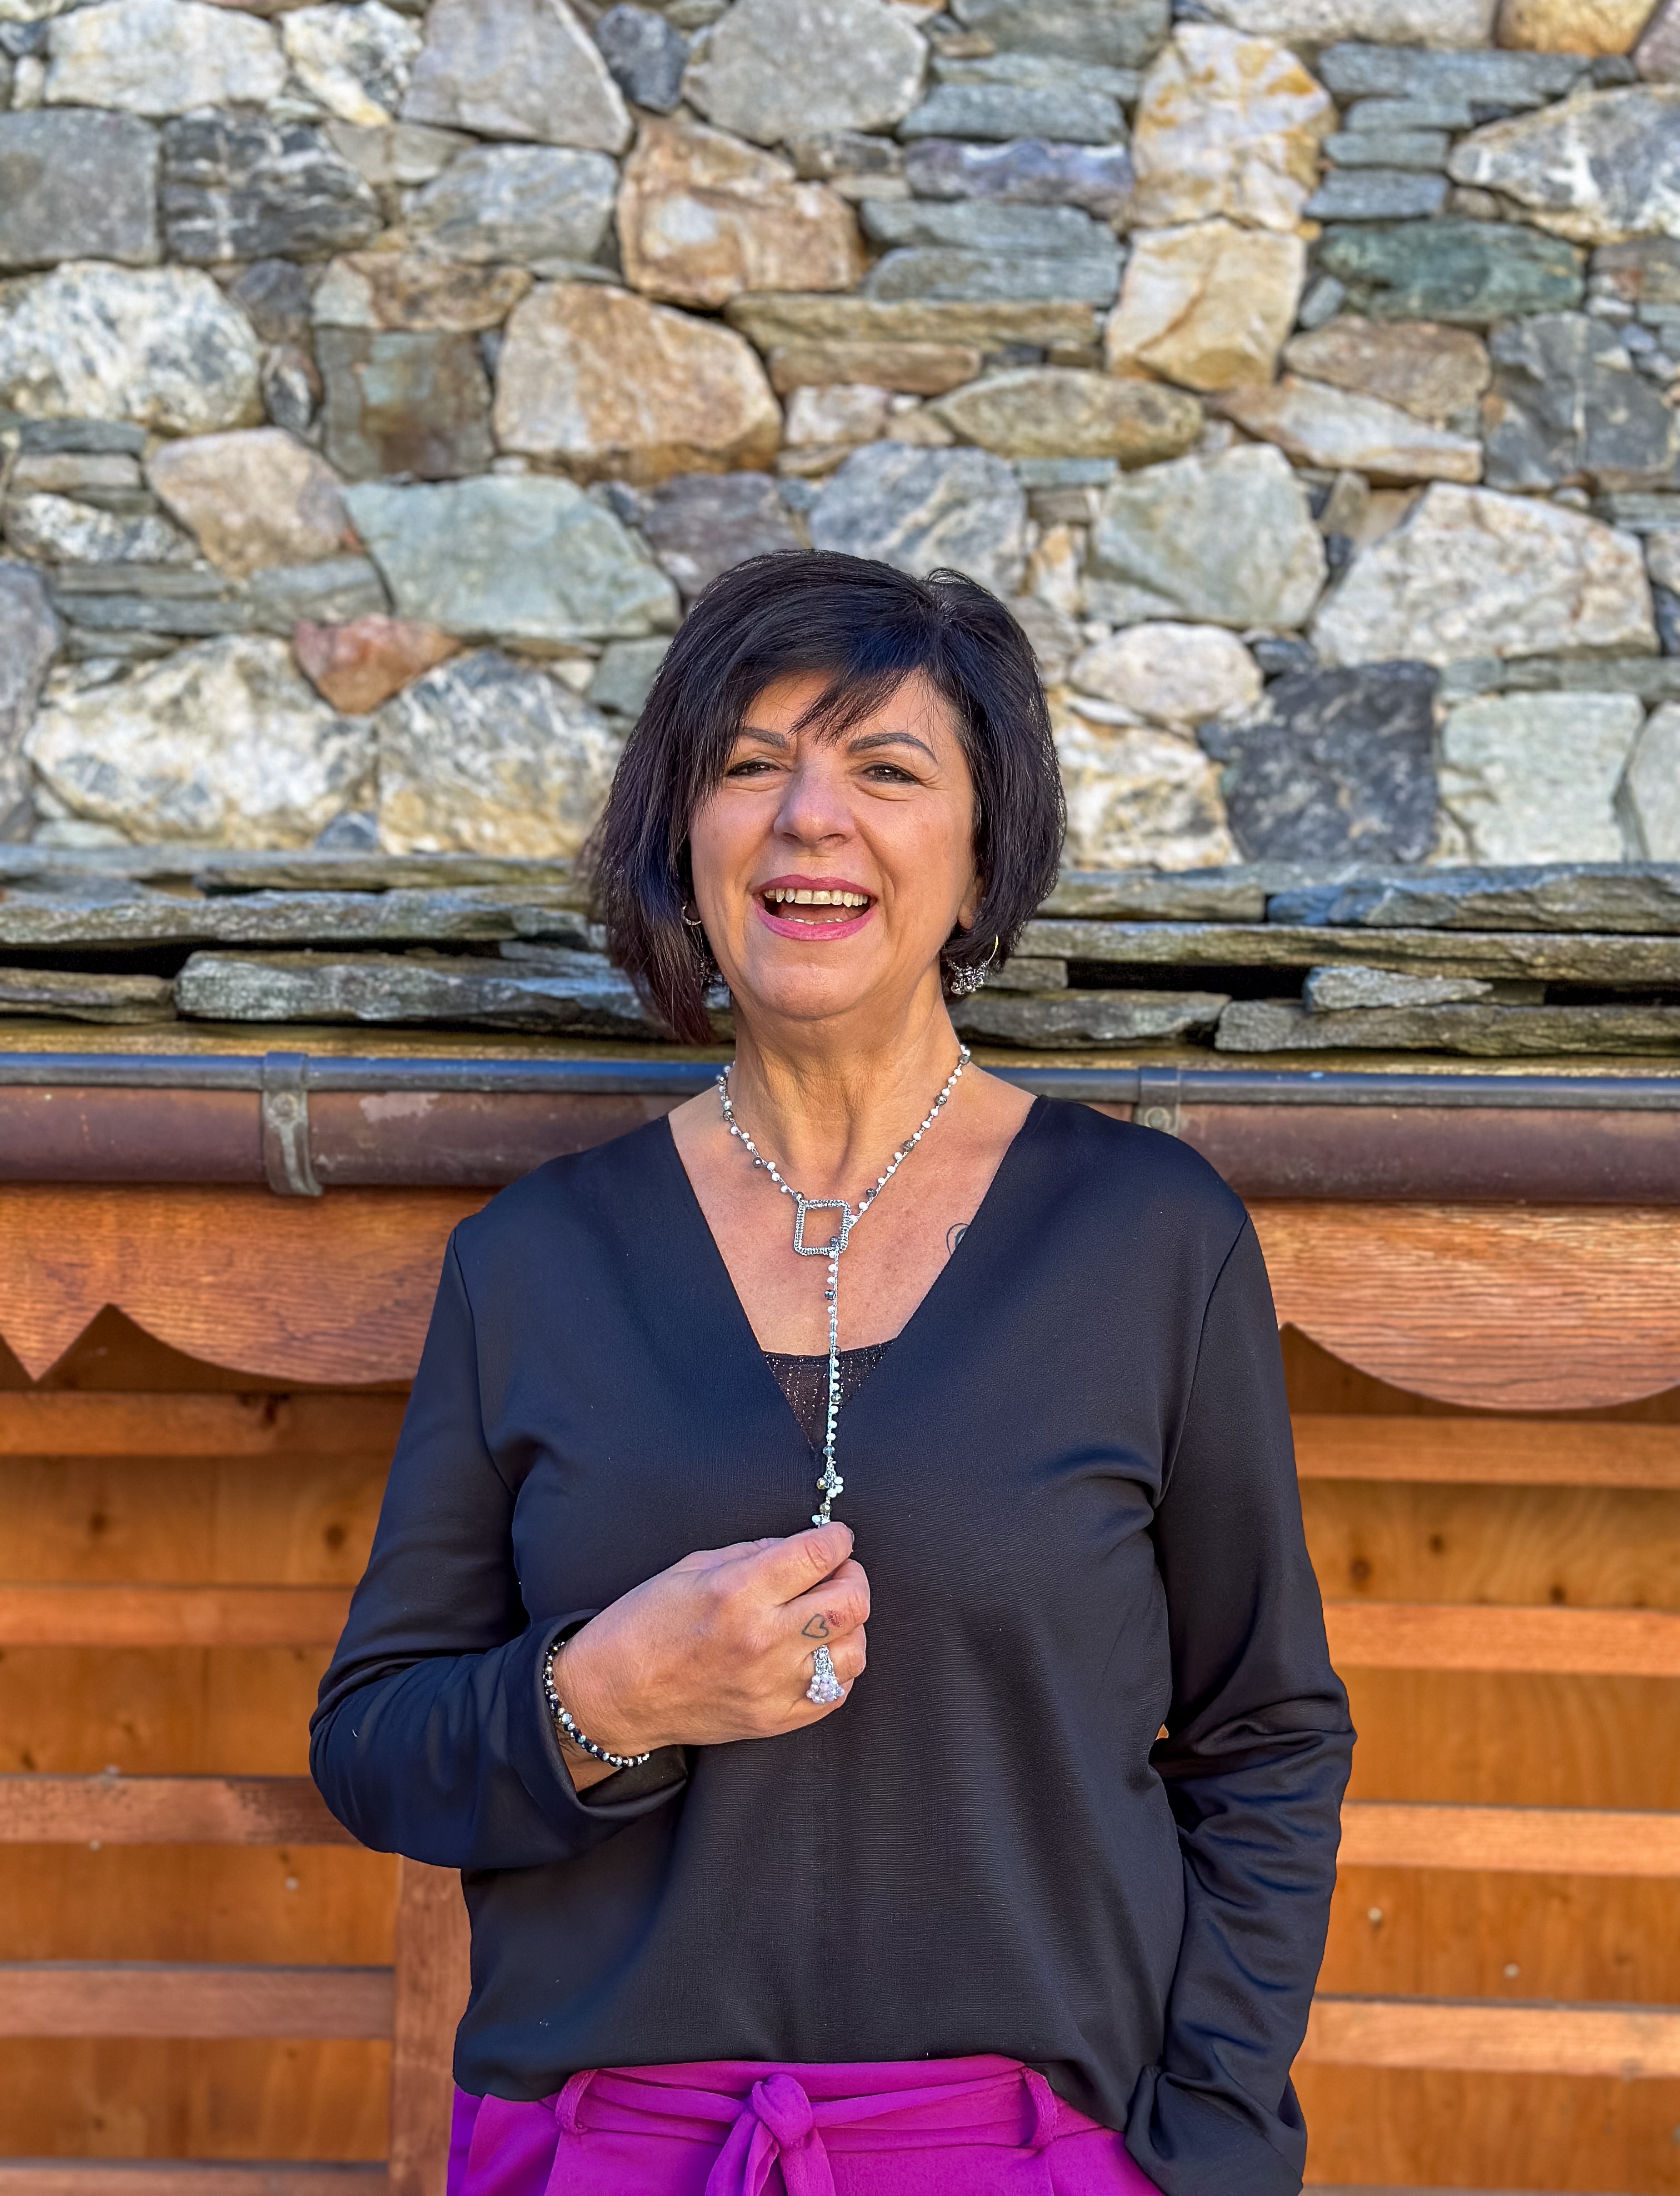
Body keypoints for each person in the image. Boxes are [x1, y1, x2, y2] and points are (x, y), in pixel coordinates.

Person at [311, 553, 1354, 2196]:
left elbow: (1266, 1735)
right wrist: (602, 1701)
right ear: (684, 839)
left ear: (984, 848)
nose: (812, 817)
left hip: (1034, 2161)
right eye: (750, 764)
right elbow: (374, 1744)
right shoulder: (533, 1262)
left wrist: (1212, 2144)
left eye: (886, 767)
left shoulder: (1152, 1240)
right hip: (611, 2155)